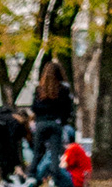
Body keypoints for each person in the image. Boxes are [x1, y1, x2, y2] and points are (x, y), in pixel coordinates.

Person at [29, 59, 74, 187]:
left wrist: (40, 118)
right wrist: (61, 121)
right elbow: (68, 110)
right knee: (55, 154)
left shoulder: (39, 89)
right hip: (55, 123)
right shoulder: (63, 90)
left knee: (37, 153)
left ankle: (32, 176)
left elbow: (34, 108)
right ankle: (55, 177)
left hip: (41, 124)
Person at [0, 104, 28, 185]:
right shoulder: (15, 123)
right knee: (7, 155)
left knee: (2, 156)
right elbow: (13, 144)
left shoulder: (4, 116)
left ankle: (6, 176)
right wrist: (17, 165)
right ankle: (9, 176)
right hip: (1, 137)